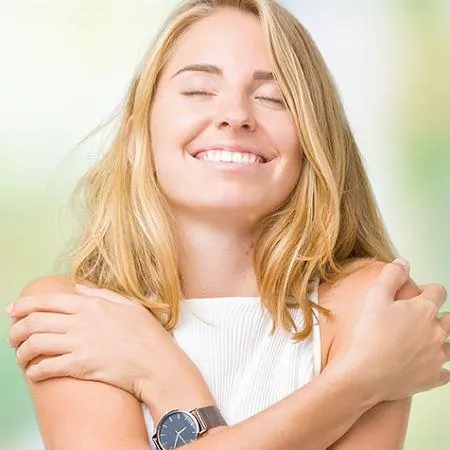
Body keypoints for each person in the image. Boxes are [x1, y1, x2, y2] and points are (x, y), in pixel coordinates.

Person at [6, 0, 449, 449]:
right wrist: (359, 382)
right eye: (199, 90)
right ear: (138, 136)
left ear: (314, 138)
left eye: (272, 97)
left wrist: (164, 379)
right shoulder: (73, 313)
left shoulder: (372, 303)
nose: (235, 116)